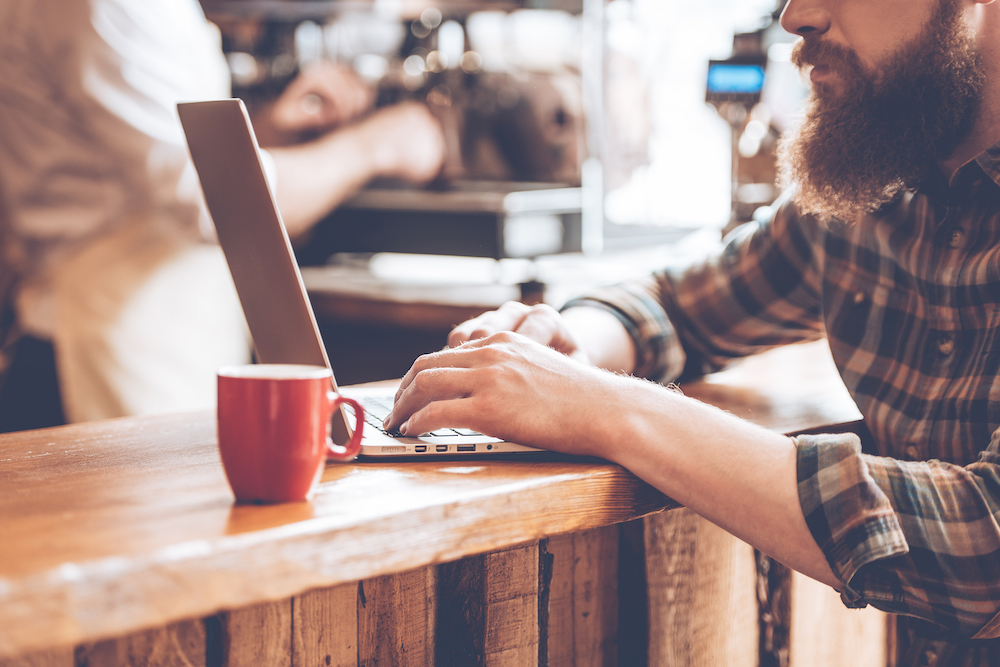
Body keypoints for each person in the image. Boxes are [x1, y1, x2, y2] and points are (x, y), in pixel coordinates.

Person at [384, 0, 1000, 663]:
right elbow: (674, 302)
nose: (796, 17)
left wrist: (604, 407)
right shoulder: (881, 174)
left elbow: (982, 550)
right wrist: (562, 343)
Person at [0, 0, 444, 430]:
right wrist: (376, 145)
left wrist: (264, 133)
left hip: (156, 339)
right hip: (110, 349)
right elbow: (214, 200)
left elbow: (158, 163)